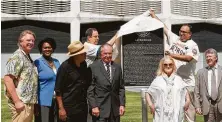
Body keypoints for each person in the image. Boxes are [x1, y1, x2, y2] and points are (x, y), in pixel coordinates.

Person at [149, 9, 200, 122]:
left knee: (188, 113)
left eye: (184, 32)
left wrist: (172, 55)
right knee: (174, 112)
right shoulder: (175, 38)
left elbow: (188, 58)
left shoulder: (193, 45)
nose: (181, 33)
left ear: (190, 34)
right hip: (173, 82)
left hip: (187, 84)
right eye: (180, 31)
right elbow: (163, 27)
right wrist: (153, 15)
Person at [3, 30, 38, 122]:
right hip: (21, 103)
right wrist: (17, 101)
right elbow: (7, 79)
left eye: (33, 41)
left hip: (28, 102)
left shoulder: (26, 56)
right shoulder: (17, 56)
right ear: (20, 41)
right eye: (28, 40)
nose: (31, 42)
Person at [54, 41, 91, 122]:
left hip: (81, 107)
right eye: (83, 53)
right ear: (76, 55)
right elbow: (58, 90)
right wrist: (61, 109)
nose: (85, 54)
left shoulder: (83, 64)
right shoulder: (65, 67)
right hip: (68, 108)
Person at [87, 44, 125, 122]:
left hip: (115, 110)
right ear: (101, 54)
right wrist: (93, 106)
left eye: (110, 53)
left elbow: (121, 88)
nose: (108, 55)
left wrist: (122, 104)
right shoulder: (93, 67)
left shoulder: (117, 67)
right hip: (100, 109)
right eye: (105, 53)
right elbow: (90, 89)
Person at [145, 56, 190, 122]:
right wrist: (150, 105)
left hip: (176, 112)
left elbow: (185, 90)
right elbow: (148, 93)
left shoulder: (178, 79)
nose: (168, 66)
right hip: (161, 113)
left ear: (173, 65)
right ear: (162, 66)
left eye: (170, 64)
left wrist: (188, 100)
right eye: (165, 65)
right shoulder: (157, 80)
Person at [34, 38, 60, 122]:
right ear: (41, 49)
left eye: (49, 47)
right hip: (43, 101)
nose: (47, 49)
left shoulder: (56, 62)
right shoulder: (37, 62)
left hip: (56, 99)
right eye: (45, 47)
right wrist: (35, 103)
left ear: (53, 48)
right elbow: (34, 84)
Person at [194, 48, 222, 122]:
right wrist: (197, 106)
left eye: (210, 56)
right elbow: (196, 90)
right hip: (207, 105)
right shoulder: (200, 73)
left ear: (216, 58)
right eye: (207, 57)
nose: (208, 58)